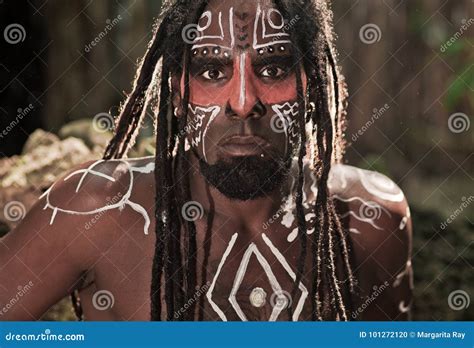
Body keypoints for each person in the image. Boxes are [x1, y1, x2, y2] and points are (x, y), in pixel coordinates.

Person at [0, 0, 413, 321]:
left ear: (311, 85)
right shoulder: (97, 211)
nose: (243, 101)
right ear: (178, 93)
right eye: (213, 72)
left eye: (272, 69)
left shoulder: (368, 218)